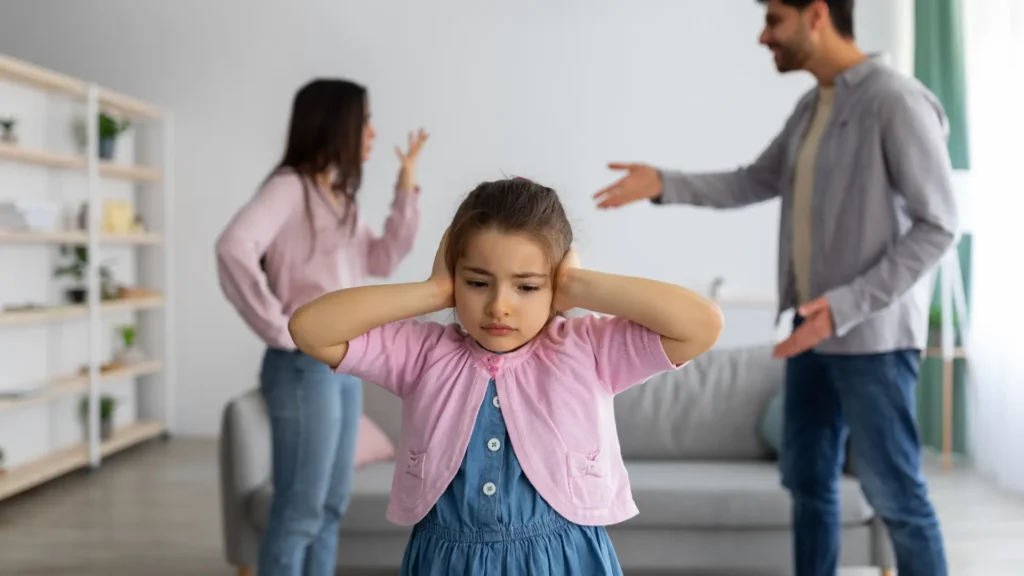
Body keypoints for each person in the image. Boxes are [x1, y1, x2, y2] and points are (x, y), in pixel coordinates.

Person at [592, 1, 957, 575]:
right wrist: (666, 183)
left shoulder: (895, 101)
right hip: (808, 339)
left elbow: (939, 226)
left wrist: (843, 308)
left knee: (897, 499)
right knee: (809, 486)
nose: (765, 37)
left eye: (775, 20)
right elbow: (753, 181)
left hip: (872, 344)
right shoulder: (813, 106)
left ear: (817, 15)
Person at [287, 177, 724, 575]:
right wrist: (432, 291)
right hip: (445, 562)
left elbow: (701, 325)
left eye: (527, 286)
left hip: (567, 561)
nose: (500, 305)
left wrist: (576, 282)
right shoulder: (422, 354)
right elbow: (309, 329)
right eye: (477, 283)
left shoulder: (587, 349)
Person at [215, 78, 428, 576]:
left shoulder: (339, 198)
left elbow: (382, 258)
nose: (374, 132)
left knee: (329, 509)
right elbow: (233, 247)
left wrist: (406, 185)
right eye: (366, 120)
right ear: (338, 124)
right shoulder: (289, 188)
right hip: (303, 368)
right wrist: (281, 330)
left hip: (342, 364)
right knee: (300, 510)